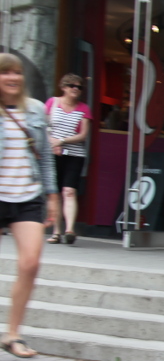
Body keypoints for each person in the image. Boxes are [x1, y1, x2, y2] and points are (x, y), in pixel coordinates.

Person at [0, 53, 60, 359]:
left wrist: (52, 196)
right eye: (5, 73)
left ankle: (12, 334)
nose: (12, 78)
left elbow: (46, 157)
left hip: (28, 196)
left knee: (31, 263)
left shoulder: (36, 110)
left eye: (17, 73)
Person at [44, 73, 92, 245]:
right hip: (52, 153)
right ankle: (56, 232)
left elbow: (83, 135)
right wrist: (52, 143)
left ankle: (69, 229)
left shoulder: (83, 108)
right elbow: (44, 126)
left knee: (69, 191)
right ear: (63, 87)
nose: (76, 89)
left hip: (75, 154)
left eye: (79, 87)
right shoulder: (52, 103)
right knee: (55, 194)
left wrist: (62, 141)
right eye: (72, 86)